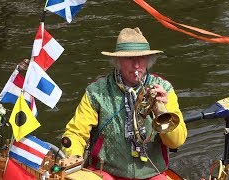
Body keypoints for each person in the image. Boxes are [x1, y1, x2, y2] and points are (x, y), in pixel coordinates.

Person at [62, 27, 187, 180]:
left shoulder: (164, 88)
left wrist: (163, 109)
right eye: (129, 58)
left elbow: (176, 142)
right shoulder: (96, 91)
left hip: (152, 174)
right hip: (106, 172)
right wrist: (74, 159)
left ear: (148, 60)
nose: (136, 66)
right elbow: (75, 133)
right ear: (117, 61)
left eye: (141, 58)